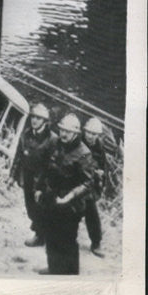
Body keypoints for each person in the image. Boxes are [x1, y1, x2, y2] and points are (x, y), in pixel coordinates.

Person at [36, 112, 96, 275]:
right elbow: (46, 167)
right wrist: (39, 188)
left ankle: (70, 274)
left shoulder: (84, 153)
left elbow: (88, 183)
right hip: (52, 198)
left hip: (71, 205)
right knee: (50, 234)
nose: (63, 133)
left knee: (67, 240)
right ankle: (54, 267)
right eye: (61, 130)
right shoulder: (56, 144)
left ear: (76, 133)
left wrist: (69, 197)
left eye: (67, 132)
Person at [10, 103, 56, 247]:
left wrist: (44, 186)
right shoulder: (26, 134)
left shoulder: (52, 139)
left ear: (45, 121)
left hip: (43, 179)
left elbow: (53, 165)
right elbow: (18, 156)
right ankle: (44, 233)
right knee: (30, 207)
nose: (34, 120)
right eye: (33, 117)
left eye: (38, 118)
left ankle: (40, 236)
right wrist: (12, 176)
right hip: (27, 177)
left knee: (41, 207)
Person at [82, 117, 115, 257]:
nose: (91, 136)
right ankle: (42, 234)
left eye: (94, 134)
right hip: (72, 181)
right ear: (84, 131)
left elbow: (102, 169)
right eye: (89, 133)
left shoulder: (99, 148)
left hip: (88, 185)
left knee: (92, 213)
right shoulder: (77, 140)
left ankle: (96, 243)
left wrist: (98, 174)